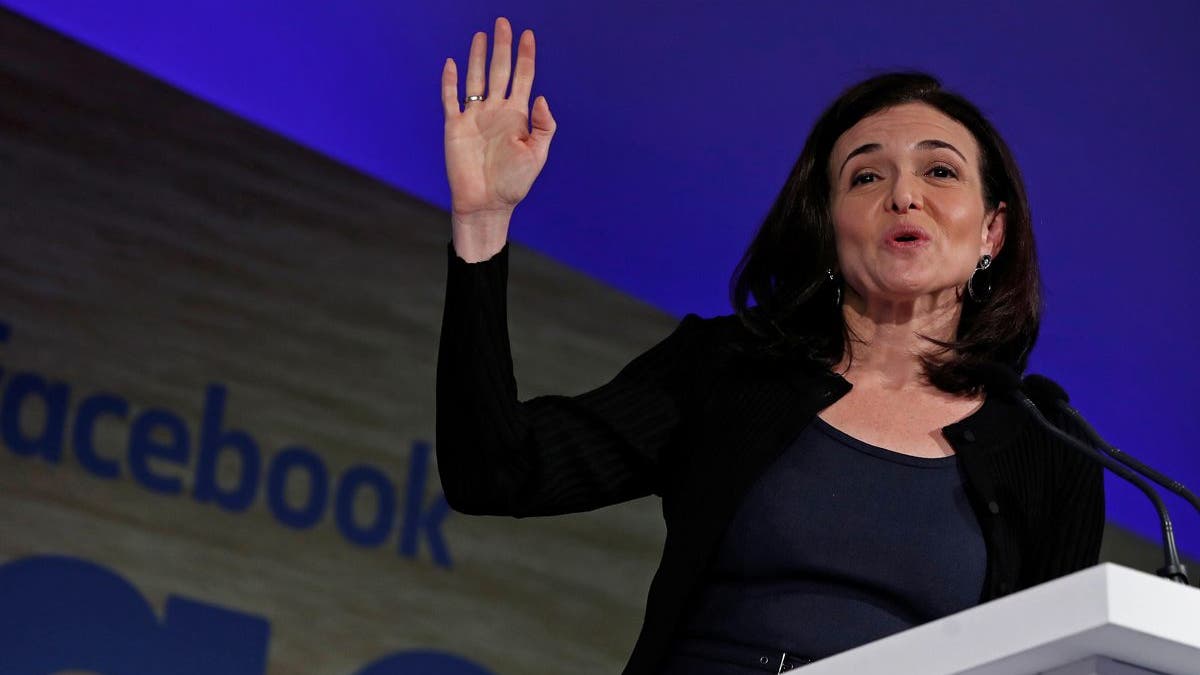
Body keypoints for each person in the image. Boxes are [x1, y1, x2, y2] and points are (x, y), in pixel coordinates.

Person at [437, 17, 1104, 675]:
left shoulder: (1048, 447)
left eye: (939, 171)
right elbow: (494, 469)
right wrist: (483, 223)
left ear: (992, 231)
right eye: (867, 177)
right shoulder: (728, 369)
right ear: (828, 227)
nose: (904, 195)